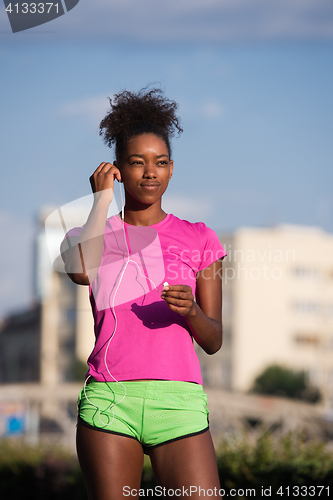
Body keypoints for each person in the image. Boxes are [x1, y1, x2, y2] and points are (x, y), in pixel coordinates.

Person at [60, 87, 227, 500]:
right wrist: (101, 199)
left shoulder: (200, 237)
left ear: (172, 169)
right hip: (110, 401)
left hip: (179, 402)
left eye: (161, 162)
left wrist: (191, 313)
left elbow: (214, 340)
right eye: (137, 162)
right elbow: (82, 272)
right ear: (117, 169)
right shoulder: (86, 235)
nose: (150, 172)